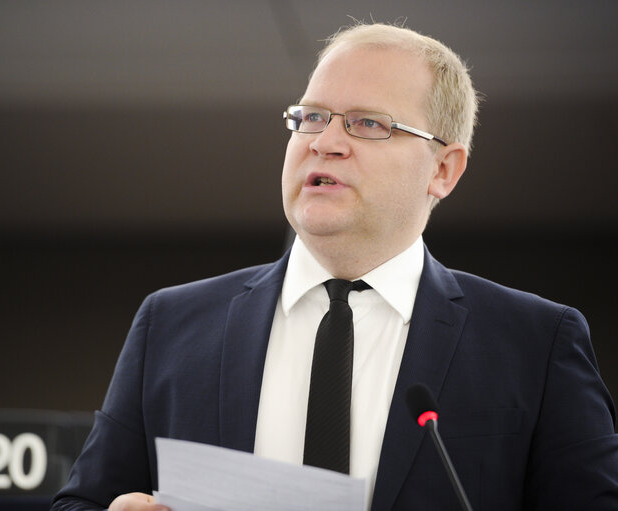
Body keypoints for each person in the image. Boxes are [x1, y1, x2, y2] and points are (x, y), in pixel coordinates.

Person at [52, 22, 618, 511]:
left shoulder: (534, 343)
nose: (324, 142)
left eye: (368, 124)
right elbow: (81, 501)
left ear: (443, 169)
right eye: (312, 116)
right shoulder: (173, 325)